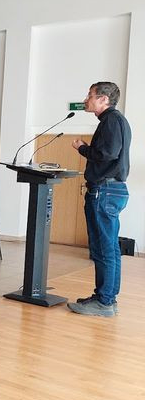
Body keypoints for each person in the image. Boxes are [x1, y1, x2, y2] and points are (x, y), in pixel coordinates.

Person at [67, 82, 131, 317]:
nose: (86, 99)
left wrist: (83, 148)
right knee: (109, 249)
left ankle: (104, 302)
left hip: (105, 190)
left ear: (104, 99)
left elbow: (107, 154)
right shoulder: (115, 120)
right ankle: (106, 299)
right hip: (111, 189)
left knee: (104, 249)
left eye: (90, 95)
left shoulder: (111, 120)